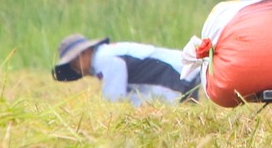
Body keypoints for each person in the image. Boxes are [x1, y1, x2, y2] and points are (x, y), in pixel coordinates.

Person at [52, 34, 200, 105]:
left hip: (179, 75)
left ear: (83, 54)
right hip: (185, 72)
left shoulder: (104, 59)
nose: (74, 68)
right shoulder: (107, 54)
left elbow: (114, 100)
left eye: (73, 63)